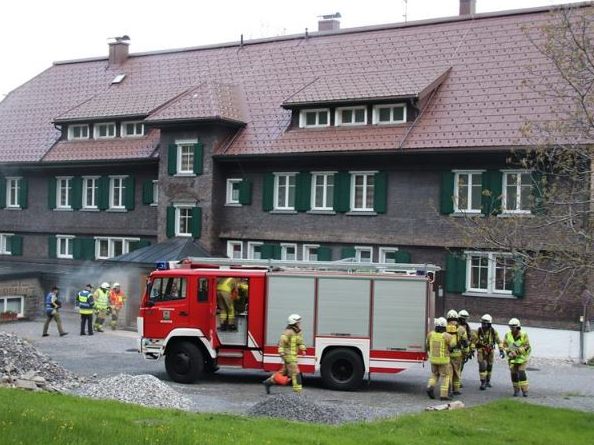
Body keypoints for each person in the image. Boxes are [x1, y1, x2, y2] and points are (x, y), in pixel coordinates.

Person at [263, 313, 307, 394]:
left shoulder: (298, 332)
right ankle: (298, 392)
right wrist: (281, 353)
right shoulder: (288, 332)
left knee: (283, 372)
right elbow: (281, 343)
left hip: (293, 355)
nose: (300, 323)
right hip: (288, 355)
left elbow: (300, 342)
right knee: (295, 372)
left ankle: (268, 382)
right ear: (294, 323)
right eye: (298, 322)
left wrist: (303, 349)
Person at [426, 317, 456, 401]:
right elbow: (453, 345)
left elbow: (427, 345)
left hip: (433, 360)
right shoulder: (446, 336)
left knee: (434, 375)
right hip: (444, 361)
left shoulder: (431, 334)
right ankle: (444, 395)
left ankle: (430, 387)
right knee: (445, 376)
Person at [472, 314, 504, 390]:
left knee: (489, 366)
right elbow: (473, 342)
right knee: (482, 365)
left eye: (485, 323)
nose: (483, 325)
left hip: (490, 351)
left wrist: (501, 350)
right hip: (481, 350)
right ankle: (483, 382)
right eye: (482, 323)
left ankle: (488, 381)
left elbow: (499, 341)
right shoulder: (478, 331)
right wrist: (472, 350)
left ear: (489, 324)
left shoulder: (493, 332)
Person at [502, 318, 532, 397]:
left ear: (518, 327)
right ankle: (516, 390)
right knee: (514, 374)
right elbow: (504, 345)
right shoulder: (507, 334)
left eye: (513, 327)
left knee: (521, 372)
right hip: (512, 359)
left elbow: (527, 346)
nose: (512, 329)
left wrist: (516, 352)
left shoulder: (523, 334)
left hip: (521, 358)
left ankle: (525, 391)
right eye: (511, 327)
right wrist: (508, 351)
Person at [445, 309, 468, 396]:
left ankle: (448, 391)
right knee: (457, 373)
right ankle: (456, 390)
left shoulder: (444, 328)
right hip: (458, 355)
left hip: (447, 355)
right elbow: (465, 343)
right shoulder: (461, 329)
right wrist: (465, 353)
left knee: (449, 373)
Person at [458, 309, 473, 374]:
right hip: (457, 348)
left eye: (466, 319)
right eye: (463, 319)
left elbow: (470, 337)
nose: (465, 320)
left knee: (461, 365)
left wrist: (469, 349)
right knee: (456, 365)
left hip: (464, 348)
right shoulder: (456, 326)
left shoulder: (467, 326)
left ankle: (457, 380)